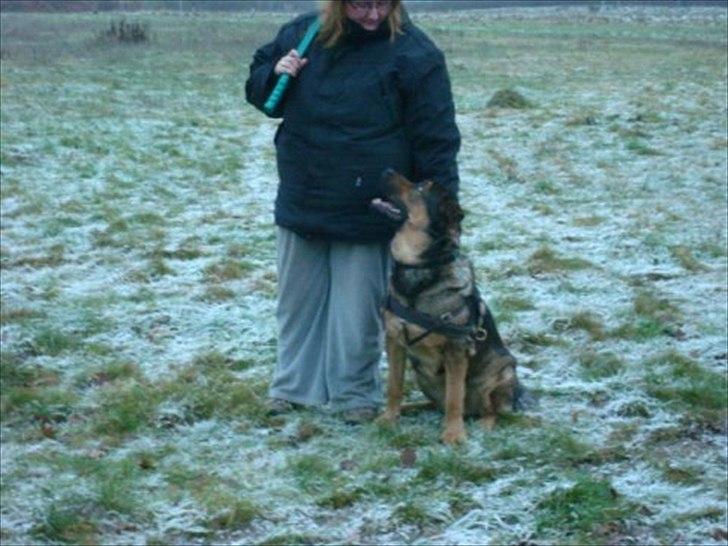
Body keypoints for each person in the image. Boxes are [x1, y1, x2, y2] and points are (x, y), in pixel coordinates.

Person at [245, 0, 460, 424]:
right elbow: (263, 95)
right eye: (361, 3)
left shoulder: (416, 54)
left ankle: (354, 393)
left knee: (357, 306)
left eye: (384, 3)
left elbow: (437, 138)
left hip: (370, 200)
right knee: (297, 302)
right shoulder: (301, 34)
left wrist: (442, 211)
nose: (373, 14)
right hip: (305, 188)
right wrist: (275, 74)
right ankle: (293, 387)